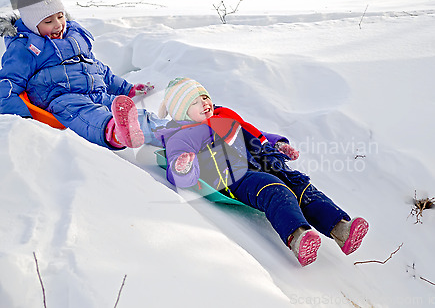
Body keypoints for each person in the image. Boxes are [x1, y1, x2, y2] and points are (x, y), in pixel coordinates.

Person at [153, 77, 369, 267]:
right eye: (194, 102)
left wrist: (276, 144)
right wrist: (183, 166)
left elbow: (254, 132)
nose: (204, 103)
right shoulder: (182, 136)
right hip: (233, 179)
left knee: (300, 185)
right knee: (275, 190)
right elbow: (177, 172)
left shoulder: (223, 118)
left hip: (258, 162)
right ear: (181, 112)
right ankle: (298, 238)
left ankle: (342, 229)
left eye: (204, 97)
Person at [0, 0, 152, 149]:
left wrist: (126, 88)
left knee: (122, 109)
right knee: (86, 113)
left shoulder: (74, 38)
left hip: (95, 92)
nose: (58, 25)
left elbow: (98, 68)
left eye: (60, 16)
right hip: (61, 99)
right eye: (48, 21)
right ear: (32, 25)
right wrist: (24, 118)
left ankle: (160, 130)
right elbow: (9, 84)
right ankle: (114, 132)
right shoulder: (25, 48)